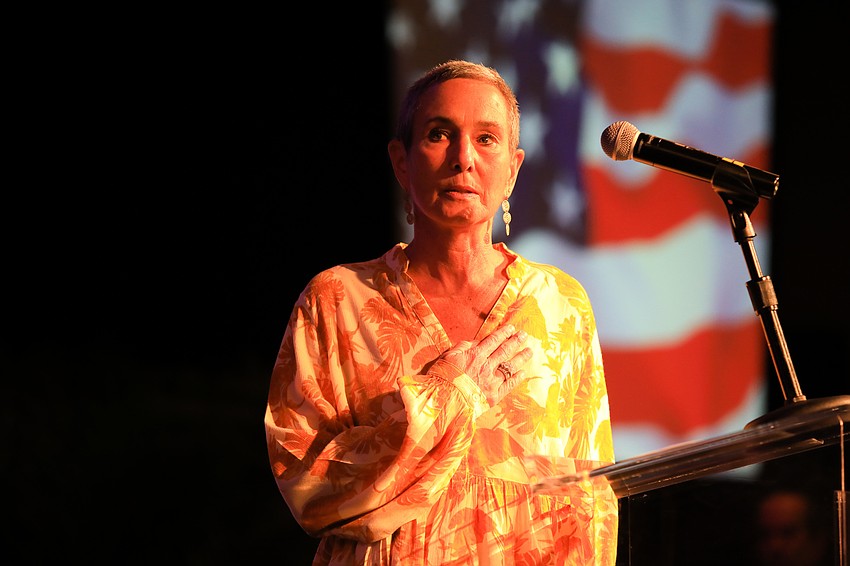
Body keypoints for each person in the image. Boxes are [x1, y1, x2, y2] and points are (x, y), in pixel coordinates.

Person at [264, 59, 618, 565]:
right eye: (438, 134)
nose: (463, 159)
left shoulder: (560, 303)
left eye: (486, 139)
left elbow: (591, 500)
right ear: (401, 162)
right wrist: (452, 395)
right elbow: (309, 487)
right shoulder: (337, 300)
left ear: (514, 169)